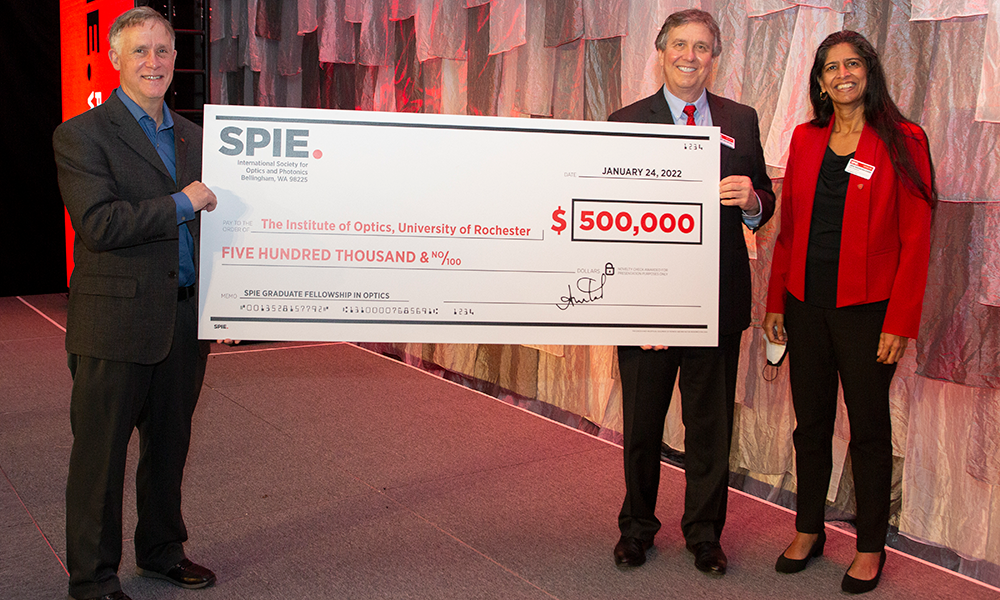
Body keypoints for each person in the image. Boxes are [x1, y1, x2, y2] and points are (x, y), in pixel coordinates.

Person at [53, 7, 219, 600]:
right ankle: (92, 579)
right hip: (114, 323)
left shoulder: (201, 139)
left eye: (164, 50)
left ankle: (161, 552)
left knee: (170, 448)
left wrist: (231, 301)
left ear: (177, 60)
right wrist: (181, 202)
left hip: (183, 316)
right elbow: (98, 224)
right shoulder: (81, 134)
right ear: (116, 59)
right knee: (100, 459)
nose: (154, 61)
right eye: (141, 51)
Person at [763, 30, 934, 594]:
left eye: (852, 63)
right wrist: (776, 301)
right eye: (831, 67)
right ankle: (808, 528)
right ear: (819, 81)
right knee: (809, 424)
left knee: (868, 429)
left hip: (869, 313)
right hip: (806, 307)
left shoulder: (904, 139)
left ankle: (869, 546)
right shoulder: (805, 138)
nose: (842, 74)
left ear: (869, 71)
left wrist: (900, 322)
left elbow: (916, 237)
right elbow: (788, 231)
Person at [610, 9, 775, 575]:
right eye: (679, 44)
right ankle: (636, 529)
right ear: (661, 51)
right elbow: (609, 215)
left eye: (701, 47)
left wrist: (752, 201)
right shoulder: (625, 121)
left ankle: (705, 533)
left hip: (717, 302)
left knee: (710, 427)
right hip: (646, 305)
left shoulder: (741, 119)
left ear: (714, 56)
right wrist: (634, 308)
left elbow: (765, 200)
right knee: (642, 425)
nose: (689, 56)